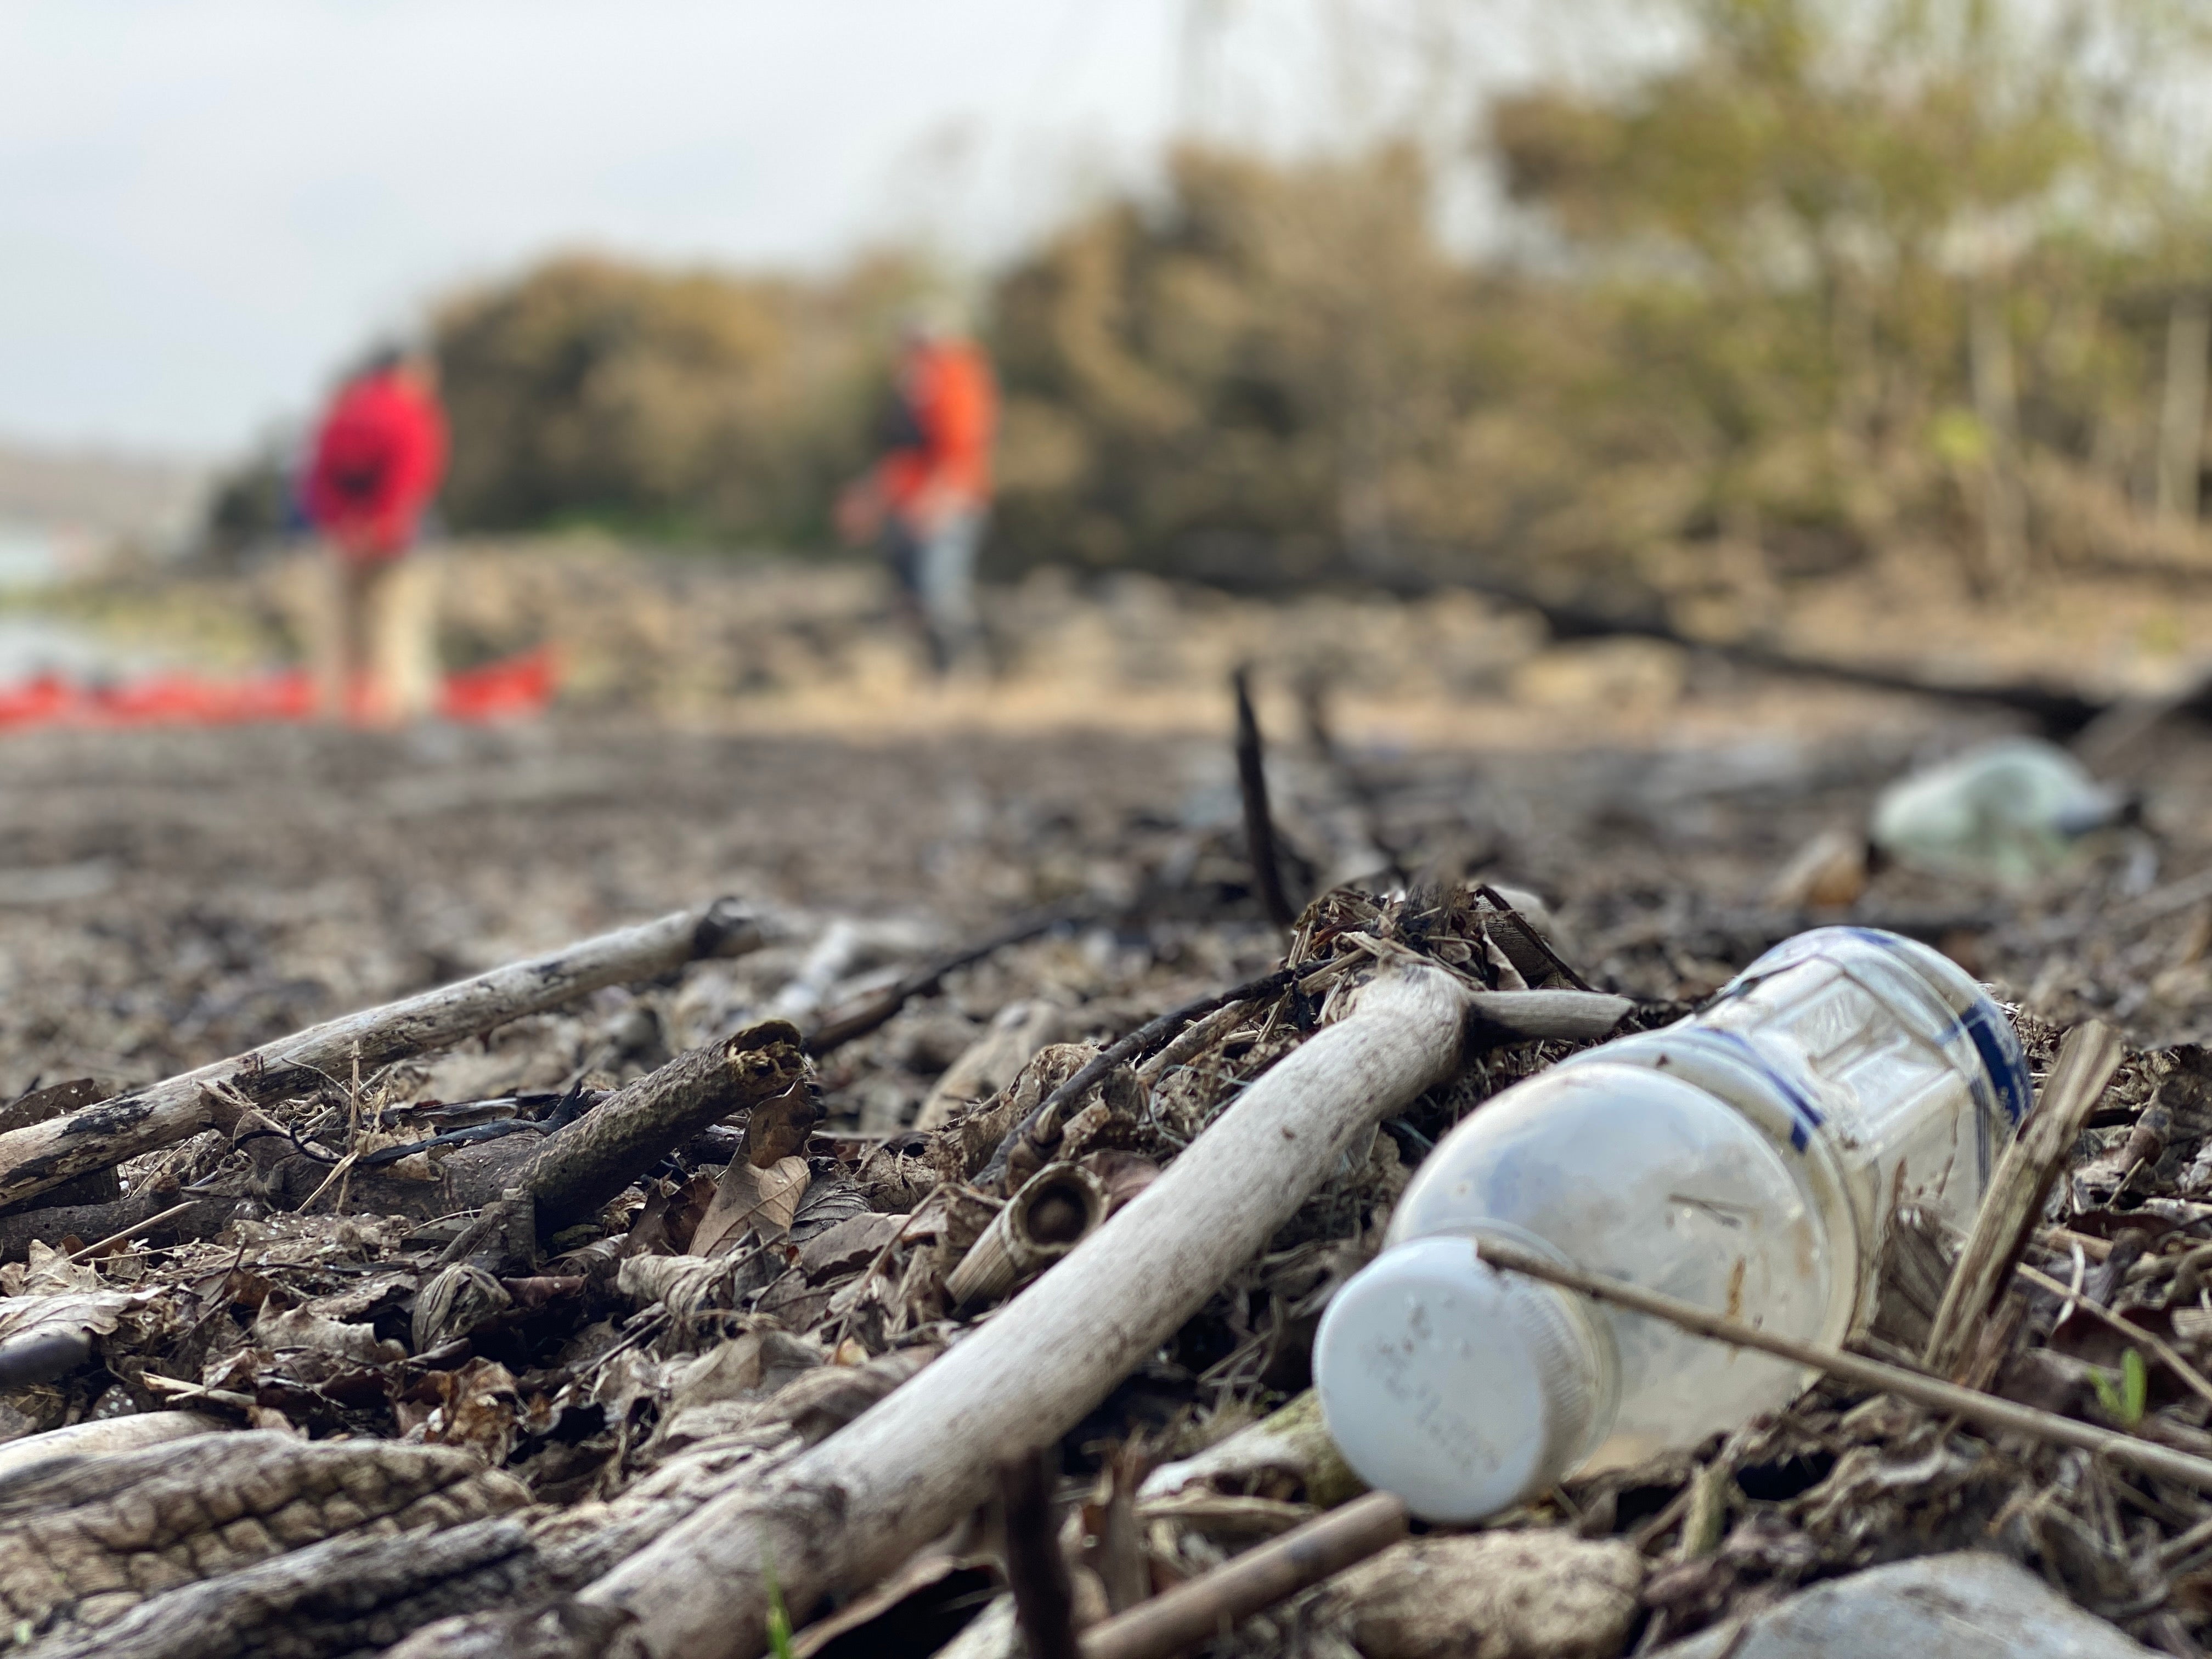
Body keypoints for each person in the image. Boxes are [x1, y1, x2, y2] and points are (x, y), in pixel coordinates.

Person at [838, 304, 997, 673]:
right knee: (907, 600)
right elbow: (900, 458)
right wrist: (867, 498)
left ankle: (962, 677)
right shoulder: (909, 387)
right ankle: (930, 679)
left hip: (946, 509)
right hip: (906, 509)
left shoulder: (957, 381)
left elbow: (959, 455)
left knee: (939, 595)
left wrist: (936, 504)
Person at [301, 344, 449, 724]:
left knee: (339, 629)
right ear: (405, 372)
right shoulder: (412, 413)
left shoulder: (344, 409)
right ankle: (396, 708)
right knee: (397, 623)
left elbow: (319, 476)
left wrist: (343, 527)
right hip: (393, 541)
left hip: (343, 538)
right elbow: (411, 479)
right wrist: (382, 528)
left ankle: (333, 707)